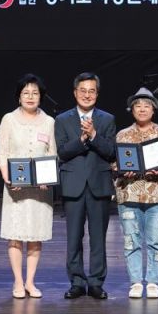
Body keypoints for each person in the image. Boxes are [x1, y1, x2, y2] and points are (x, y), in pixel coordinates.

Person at [55, 72, 116, 300]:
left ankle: (96, 282)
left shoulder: (107, 119)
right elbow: (62, 152)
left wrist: (94, 135)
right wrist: (82, 139)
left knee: (98, 238)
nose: (87, 95)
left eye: (92, 91)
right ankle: (77, 282)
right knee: (74, 238)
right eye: (83, 90)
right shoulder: (62, 120)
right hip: (73, 184)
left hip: (99, 184)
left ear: (97, 94)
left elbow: (111, 152)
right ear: (75, 93)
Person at [0, 74, 57, 299]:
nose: (30, 97)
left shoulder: (49, 122)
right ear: (19, 96)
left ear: (41, 96)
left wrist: (47, 177)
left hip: (41, 191)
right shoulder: (9, 119)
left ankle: (30, 281)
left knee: (35, 236)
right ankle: (18, 281)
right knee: (15, 236)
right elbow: (3, 152)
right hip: (16, 189)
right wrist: (8, 177)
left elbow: (52, 154)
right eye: (26, 93)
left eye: (35, 93)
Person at [114, 87, 158, 299]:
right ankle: (135, 282)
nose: (142, 109)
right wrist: (122, 169)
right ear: (132, 110)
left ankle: (152, 282)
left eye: (146, 106)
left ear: (153, 109)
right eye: (138, 106)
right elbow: (114, 162)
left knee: (156, 240)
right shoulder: (123, 135)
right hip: (129, 194)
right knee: (131, 241)